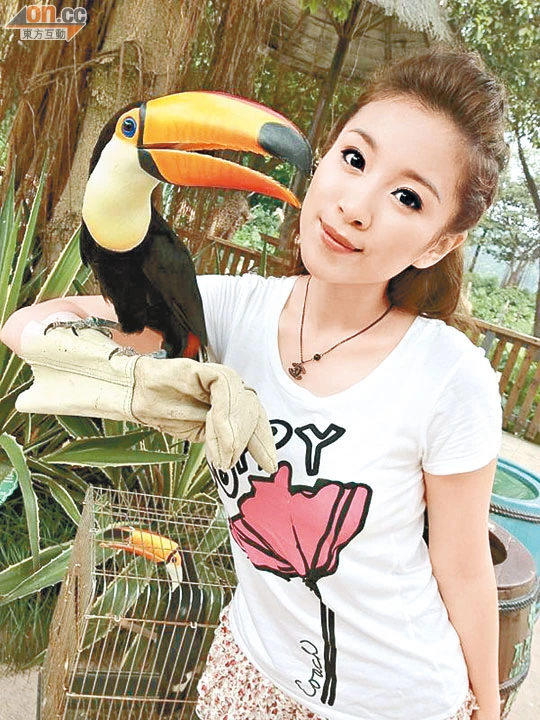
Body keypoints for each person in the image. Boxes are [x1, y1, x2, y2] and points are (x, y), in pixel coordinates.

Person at [0, 48, 508, 720]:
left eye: (407, 198)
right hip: (248, 671)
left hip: (395, 701)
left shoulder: (450, 377)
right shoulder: (228, 311)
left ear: (437, 244)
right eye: (354, 158)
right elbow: (28, 325)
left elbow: (464, 567)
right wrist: (138, 380)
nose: (355, 206)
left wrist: (490, 708)